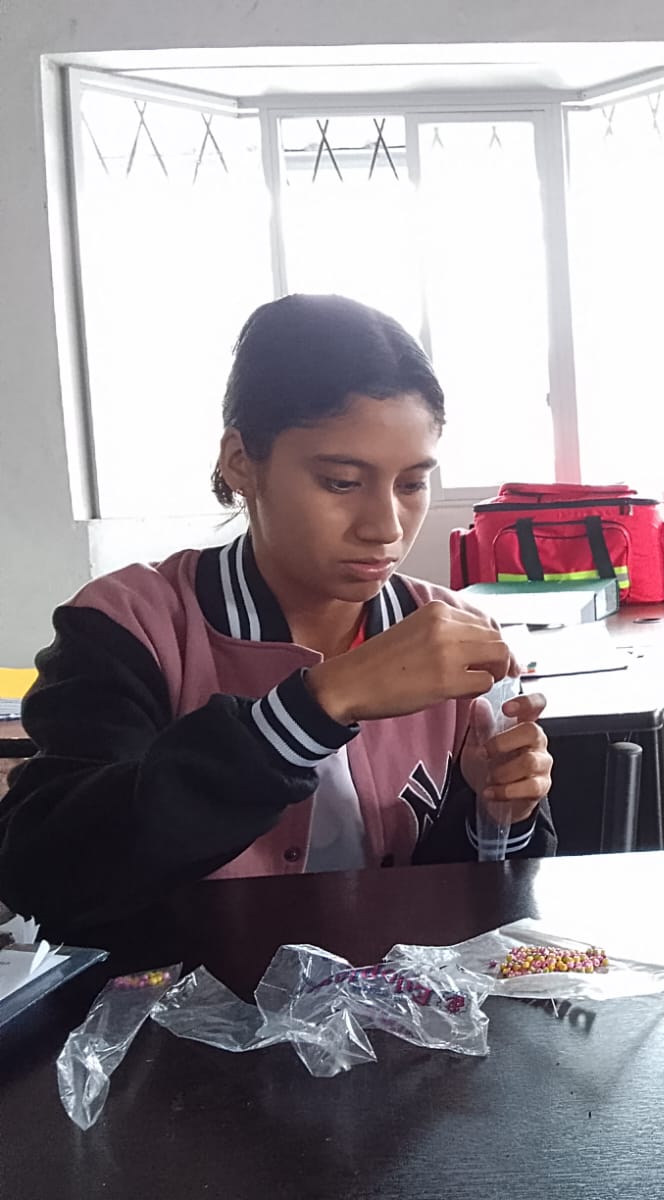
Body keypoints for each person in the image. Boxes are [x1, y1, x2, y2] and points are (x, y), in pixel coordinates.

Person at [0, 294, 555, 938]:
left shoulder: (451, 634)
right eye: (341, 481)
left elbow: (477, 913)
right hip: (178, 997)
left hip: (393, 998)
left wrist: (497, 814)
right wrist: (315, 706)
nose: (385, 526)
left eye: (411, 484)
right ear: (241, 461)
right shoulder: (131, 626)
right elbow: (47, 873)